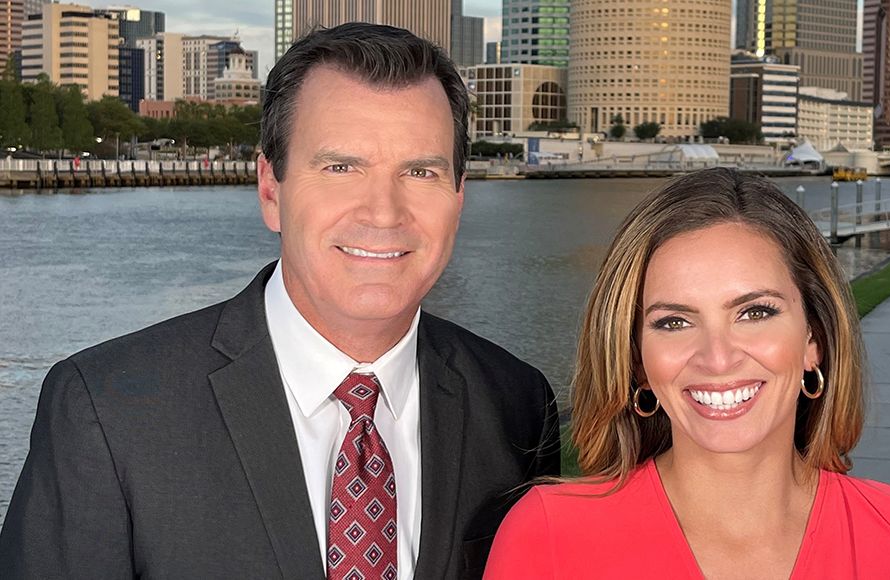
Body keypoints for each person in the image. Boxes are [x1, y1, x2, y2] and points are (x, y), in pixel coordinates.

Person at [0, 23, 560, 580]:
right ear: (271, 189)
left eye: (420, 171)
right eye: (341, 168)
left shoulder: (517, 402)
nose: (384, 213)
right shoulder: (105, 410)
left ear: (458, 196)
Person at [484, 168, 890, 579]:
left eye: (755, 312)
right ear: (637, 359)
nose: (717, 358)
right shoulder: (547, 538)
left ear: (814, 337)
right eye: (674, 322)